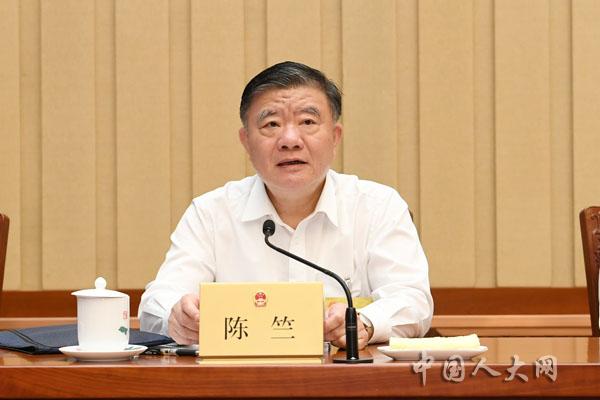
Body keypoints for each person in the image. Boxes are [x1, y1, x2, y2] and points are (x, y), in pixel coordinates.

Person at [139, 61, 433, 349]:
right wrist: (177, 316)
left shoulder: (378, 207)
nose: (290, 140)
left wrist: (364, 323)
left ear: (335, 137)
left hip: (344, 378)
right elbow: (157, 301)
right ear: (246, 141)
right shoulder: (211, 213)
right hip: (240, 378)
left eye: (308, 122)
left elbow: (412, 300)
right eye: (271, 124)